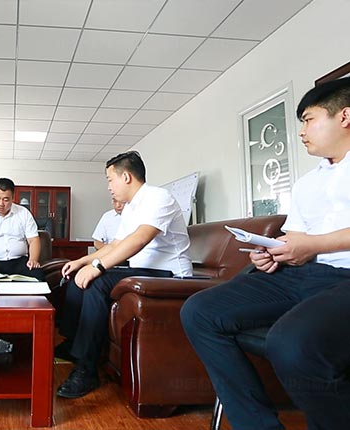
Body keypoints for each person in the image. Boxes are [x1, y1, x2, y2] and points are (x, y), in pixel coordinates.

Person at [180, 77, 350, 430]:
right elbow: (296, 238)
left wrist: (312, 246)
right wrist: (274, 253)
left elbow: (311, 243)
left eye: (309, 120)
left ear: (344, 116)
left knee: (290, 342)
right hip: (304, 275)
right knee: (200, 311)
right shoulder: (307, 183)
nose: (301, 131)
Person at [55, 150, 192, 399]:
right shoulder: (130, 208)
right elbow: (116, 245)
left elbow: (139, 239)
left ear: (126, 177)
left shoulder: (158, 197)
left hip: (169, 275)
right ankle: (73, 343)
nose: (109, 187)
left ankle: (86, 369)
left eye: (110, 179)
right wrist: (81, 262)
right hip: (143, 271)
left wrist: (98, 267)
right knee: (79, 278)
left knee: (96, 282)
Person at [0, 177, 46, 281]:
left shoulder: (24, 213)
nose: (1, 203)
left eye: (6, 200)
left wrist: (33, 259)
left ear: (13, 198)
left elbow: (33, 240)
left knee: (38, 275)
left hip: (19, 262)